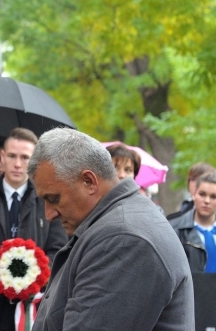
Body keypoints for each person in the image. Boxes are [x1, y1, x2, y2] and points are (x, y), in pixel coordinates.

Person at [29, 128, 194, 331]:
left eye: (54, 199)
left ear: (89, 181)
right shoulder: (117, 225)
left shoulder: (123, 239)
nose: (48, 214)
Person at [0, 128, 67, 331]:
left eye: (25, 157)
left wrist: (32, 271)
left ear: (35, 160)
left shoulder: (49, 199)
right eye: (12, 156)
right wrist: (4, 256)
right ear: (2, 157)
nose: (18, 164)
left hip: (33, 304)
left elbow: (59, 251)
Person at [168, 172, 216, 331]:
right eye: (202, 194)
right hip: (187, 310)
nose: (207, 201)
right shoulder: (174, 228)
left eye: (213, 196)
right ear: (193, 194)